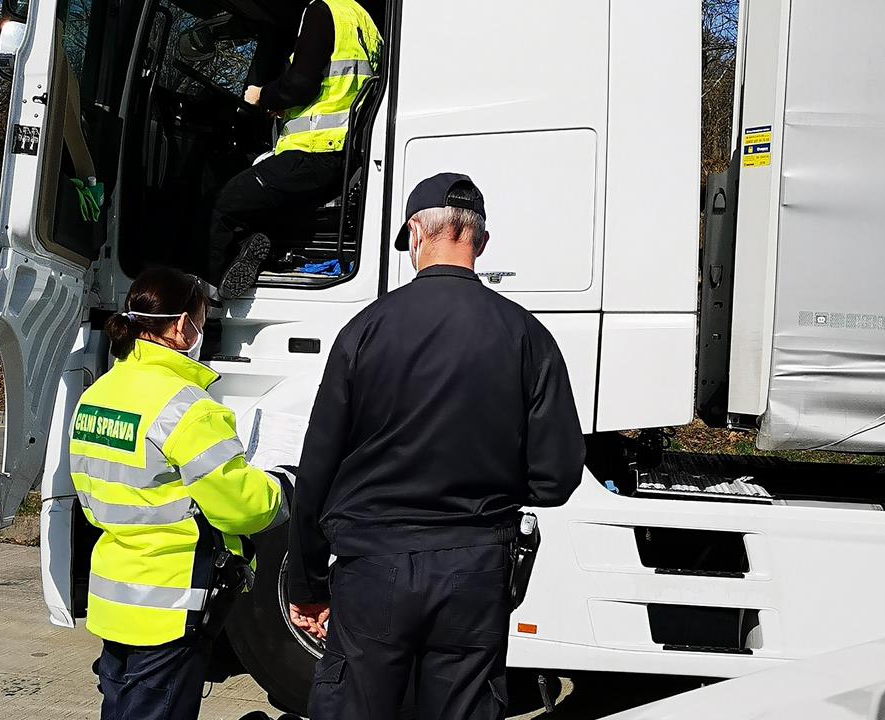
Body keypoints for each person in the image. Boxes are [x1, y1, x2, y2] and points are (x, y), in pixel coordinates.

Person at [287, 174, 586, 719]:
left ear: (415, 233)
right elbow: (557, 476)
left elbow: (317, 467)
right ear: (482, 242)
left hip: (372, 563)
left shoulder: (365, 330)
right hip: (476, 565)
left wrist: (308, 581)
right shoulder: (527, 336)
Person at [69, 267, 289, 720]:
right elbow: (242, 507)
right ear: (181, 327)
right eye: (204, 322)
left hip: (115, 598)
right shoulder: (187, 407)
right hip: (170, 604)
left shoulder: (97, 394)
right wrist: (282, 486)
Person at [208, 0, 382, 300]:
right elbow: (338, 89)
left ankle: (210, 302)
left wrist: (263, 96)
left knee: (227, 203)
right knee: (267, 201)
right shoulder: (366, 24)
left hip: (313, 150)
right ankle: (259, 253)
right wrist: (283, 104)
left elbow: (300, 83)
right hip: (343, 155)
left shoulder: (322, 10)